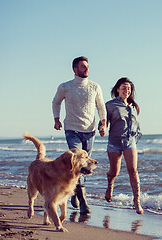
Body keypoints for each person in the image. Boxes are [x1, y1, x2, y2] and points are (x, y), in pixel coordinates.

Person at [52, 56, 107, 214]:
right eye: (83, 66)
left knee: (85, 167)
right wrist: (56, 119)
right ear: (75, 70)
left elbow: (101, 106)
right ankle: (83, 201)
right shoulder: (65, 87)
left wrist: (103, 123)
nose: (87, 69)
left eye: (87, 66)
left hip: (90, 132)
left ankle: (74, 191)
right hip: (72, 130)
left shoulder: (95, 86)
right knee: (79, 163)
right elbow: (56, 102)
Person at [102, 77, 144, 214]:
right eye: (124, 87)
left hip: (129, 141)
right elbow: (104, 121)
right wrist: (102, 127)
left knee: (133, 170)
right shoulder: (109, 105)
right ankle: (110, 186)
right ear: (118, 89)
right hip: (114, 142)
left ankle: (137, 202)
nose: (127, 90)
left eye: (129, 88)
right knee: (114, 172)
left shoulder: (132, 106)